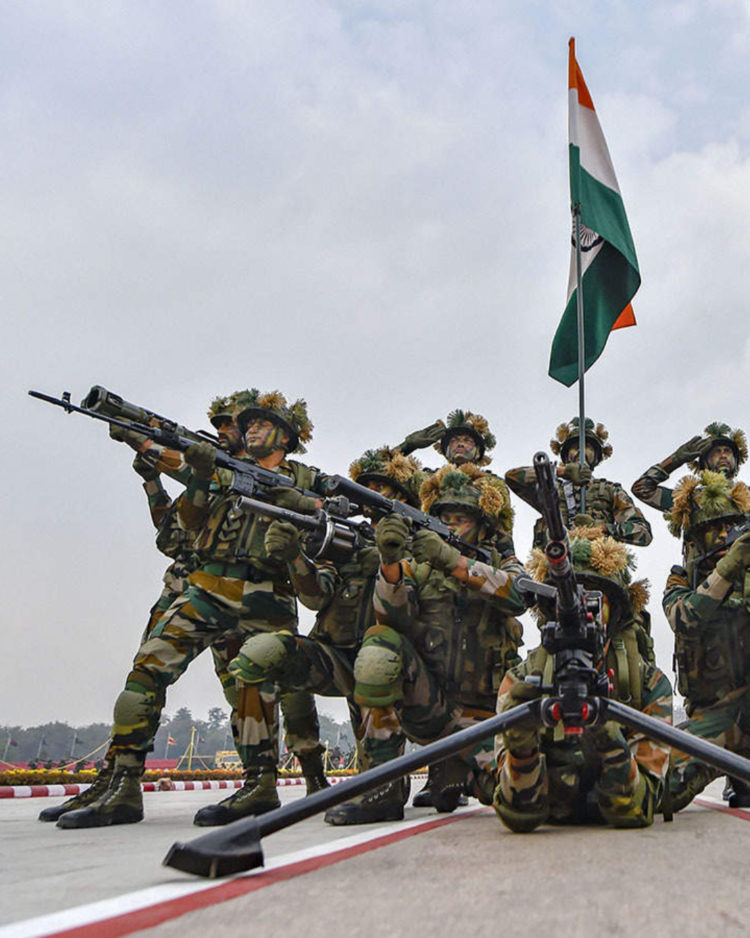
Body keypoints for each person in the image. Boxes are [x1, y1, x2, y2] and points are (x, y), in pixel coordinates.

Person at [58, 388, 328, 829]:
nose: (249, 428)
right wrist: (159, 454)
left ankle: (264, 784)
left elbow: (327, 510)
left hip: (267, 592)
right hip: (209, 584)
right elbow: (182, 527)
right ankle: (124, 784)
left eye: (261, 424)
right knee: (147, 668)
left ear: (284, 438)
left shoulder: (303, 477)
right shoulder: (220, 472)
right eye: (249, 424)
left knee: (262, 686)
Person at [232, 446, 428, 823]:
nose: (375, 499)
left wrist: (391, 561)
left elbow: (413, 612)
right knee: (260, 654)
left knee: (376, 666)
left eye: (384, 491)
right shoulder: (343, 542)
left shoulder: (420, 548)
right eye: (368, 490)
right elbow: (314, 596)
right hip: (337, 658)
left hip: (396, 666)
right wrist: (295, 558)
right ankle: (258, 780)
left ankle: (385, 791)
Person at [342, 462, 527, 821]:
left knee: (516, 795)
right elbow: (389, 618)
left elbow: (518, 597)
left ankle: (457, 774)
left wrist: (454, 562)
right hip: (429, 708)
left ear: (484, 528)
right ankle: (383, 788)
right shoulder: (418, 567)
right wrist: (390, 563)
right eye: (446, 518)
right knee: (379, 645)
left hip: (482, 722)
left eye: (461, 519)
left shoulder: (502, 564)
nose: (451, 526)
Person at [493, 531, 672, 832]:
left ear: (614, 613)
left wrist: (609, 737)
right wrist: (521, 748)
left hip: (617, 807)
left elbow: (635, 811)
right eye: (571, 601)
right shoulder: (521, 681)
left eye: (593, 600)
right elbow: (518, 816)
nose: (581, 612)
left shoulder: (649, 683)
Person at [662, 469, 750, 810]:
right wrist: (729, 568)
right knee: (660, 788)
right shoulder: (680, 581)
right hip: (717, 718)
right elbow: (685, 619)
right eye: (715, 530)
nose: (725, 535)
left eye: (731, 528)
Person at [506, 417, 652, 549]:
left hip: (600, 565)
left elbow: (642, 532)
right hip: (554, 562)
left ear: (596, 456)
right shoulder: (551, 486)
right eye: (575, 447)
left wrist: (600, 528)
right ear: (566, 454)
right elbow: (513, 478)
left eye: (588, 447)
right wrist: (560, 472)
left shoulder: (610, 490)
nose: (582, 452)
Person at [632, 421, 747, 513]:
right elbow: (642, 489)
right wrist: (675, 460)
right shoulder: (688, 500)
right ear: (705, 462)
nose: (723, 456)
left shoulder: (748, 495)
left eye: (727, 451)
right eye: (716, 452)